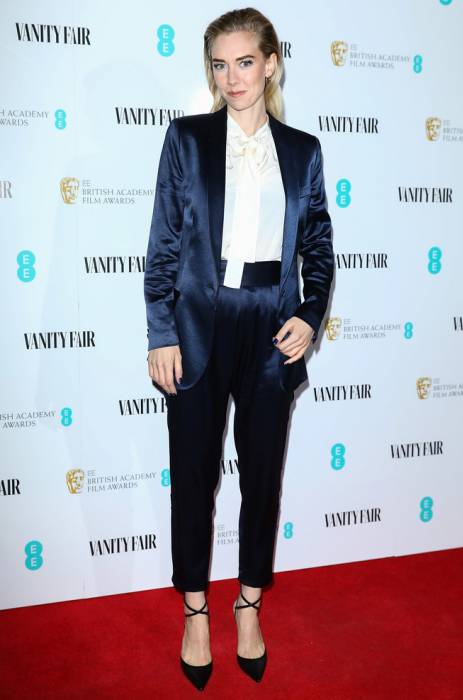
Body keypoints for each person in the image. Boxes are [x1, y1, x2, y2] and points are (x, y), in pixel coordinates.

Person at [144, 7, 334, 691]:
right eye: (220, 65)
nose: (233, 77)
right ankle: (196, 611)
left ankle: (248, 603)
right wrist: (162, 331)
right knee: (194, 473)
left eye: (245, 62)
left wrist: (310, 315)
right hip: (199, 321)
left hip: (271, 327)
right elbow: (163, 243)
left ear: (271, 64)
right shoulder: (187, 140)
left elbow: (318, 247)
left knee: (262, 474)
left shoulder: (304, 151)